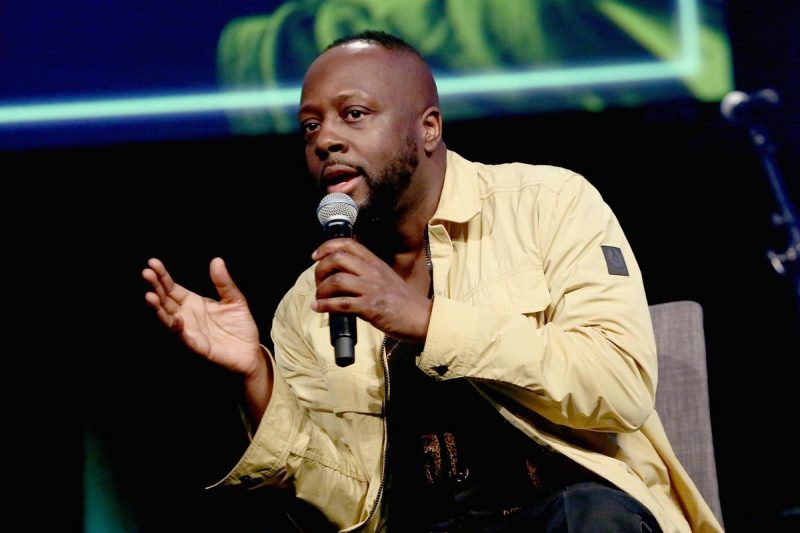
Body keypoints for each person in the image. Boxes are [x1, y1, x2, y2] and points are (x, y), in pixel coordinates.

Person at [143, 30, 723, 533]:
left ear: (428, 128)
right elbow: (348, 509)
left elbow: (618, 387)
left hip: (563, 512)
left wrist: (426, 321)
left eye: (354, 114)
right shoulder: (311, 301)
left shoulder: (549, 204)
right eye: (310, 126)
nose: (325, 140)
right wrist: (256, 376)